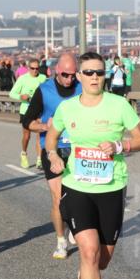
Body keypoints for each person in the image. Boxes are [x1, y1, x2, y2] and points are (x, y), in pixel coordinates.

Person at [46, 52, 140, 279]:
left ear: (106, 76)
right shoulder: (67, 108)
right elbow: (51, 137)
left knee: (102, 260)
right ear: (78, 76)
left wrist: (120, 147)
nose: (94, 77)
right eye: (88, 72)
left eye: (99, 73)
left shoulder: (119, 105)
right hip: (77, 188)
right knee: (89, 252)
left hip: (112, 189)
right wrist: (54, 156)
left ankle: (87, 272)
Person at [22, 52, 82, 259]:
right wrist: (43, 126)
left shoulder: (84, 88)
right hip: (52, 149)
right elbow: (26, 121)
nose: (69, 79)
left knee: (77, 197)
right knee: (58, 198)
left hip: (78, 150)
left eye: (73, 75)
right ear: (57, 70)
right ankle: (61, 241)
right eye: (65, 75)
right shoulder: (44, 90)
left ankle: (75, 228)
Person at [9, 58, 47, 169]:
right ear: (28, 68)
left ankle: (39, 159)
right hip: (26, 110)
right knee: (27, 136)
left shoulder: (43, 78)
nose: (35, 71)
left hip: (40, 110)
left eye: (37, 68)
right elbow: (12, 93)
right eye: (32, 68)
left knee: (40, 134)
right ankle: (24, 154)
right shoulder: (22, 79)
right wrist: (21, 96)